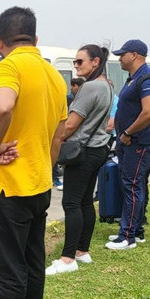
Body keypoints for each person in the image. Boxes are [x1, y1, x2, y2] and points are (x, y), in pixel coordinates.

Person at [0, 7, 67, 299]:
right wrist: (43, 166)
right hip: (39, 184)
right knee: (32, 265)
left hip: (6, 188)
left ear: (0, 41)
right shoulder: (53, 75)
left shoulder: (9, 66)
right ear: (35, 38)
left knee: (8, 271)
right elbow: (58, 136)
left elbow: (1, 107)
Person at [46, 45, 112, 275]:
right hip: (98, 149)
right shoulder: (106, 85)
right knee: (84, 201)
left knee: (71, 203)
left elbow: (71, 124)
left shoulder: (90, 87)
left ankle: (67, 258)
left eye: (79, 61)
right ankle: (82, 251)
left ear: (95, 61)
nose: (76, 65)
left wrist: (52, 140)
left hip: (82, 151)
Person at [106, 40, 150, 250]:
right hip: (129, 142)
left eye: (123, 54)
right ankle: (135, 231)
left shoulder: (147, 79)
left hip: (138, 142)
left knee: (132, 186)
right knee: (131, 184)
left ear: (135, 55)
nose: (119, 58)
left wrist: (128, 133)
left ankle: (127, 237)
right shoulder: (133, 79)